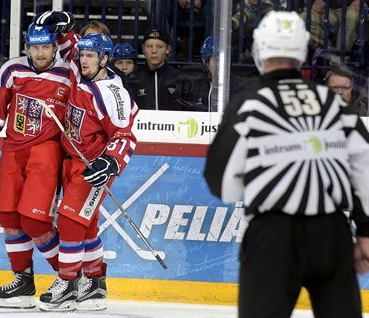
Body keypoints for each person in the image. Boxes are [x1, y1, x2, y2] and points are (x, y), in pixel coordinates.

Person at [204, 11, 369, 318]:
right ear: (302, 51)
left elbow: (222, 183)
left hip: (272, 234)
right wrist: (366, 231)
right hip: (331, 232)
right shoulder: (332, 101)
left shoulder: (250, 102)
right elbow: (365, 168)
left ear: (259, 50)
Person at [0, 21, 74, 309]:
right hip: (13, 148)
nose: (40, 53)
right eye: (35, 47)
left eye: (46, 46)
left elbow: (90, 63)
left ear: (55, 46)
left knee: (35, 220)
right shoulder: (12, 69)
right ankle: (22, 281)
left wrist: (70, 33)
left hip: (47, 152)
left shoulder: (69, 72)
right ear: (27, 47)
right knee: (8, 216)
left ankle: (70, 279)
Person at [37, 33, 138, 312]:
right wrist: (64, 31)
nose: (83, 60)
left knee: (70, 222)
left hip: (93, 167)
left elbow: (125, 136)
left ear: (105, 59)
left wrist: (111, 162)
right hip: (69, 161)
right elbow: (71, 48)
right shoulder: (81, 74)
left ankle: (68, 283)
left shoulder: (111, 93)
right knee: (87, 225)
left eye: (91, 56)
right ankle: (94, 283)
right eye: (83, 55)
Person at [130, 28, 188, 111]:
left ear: (167, 49)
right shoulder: (134, 79)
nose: (154, 51)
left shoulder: (179, 78)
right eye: (149, 46)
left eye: (159, 47)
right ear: (143, 49)